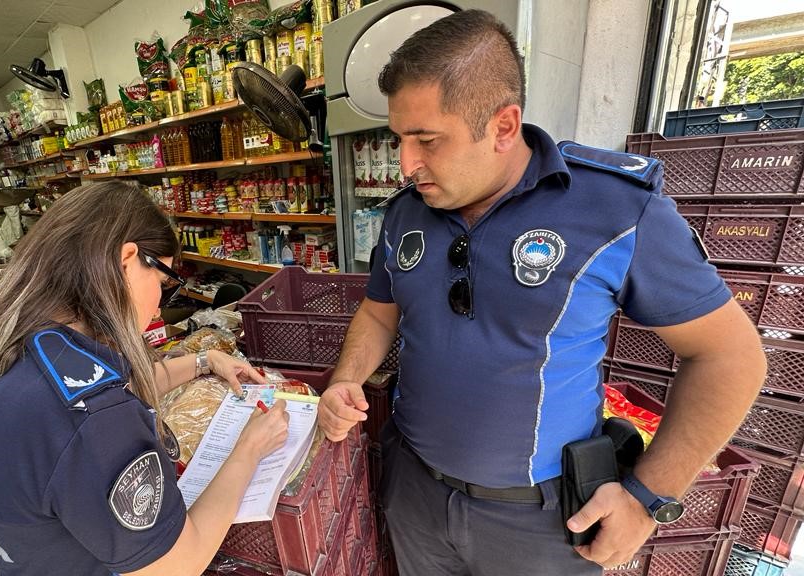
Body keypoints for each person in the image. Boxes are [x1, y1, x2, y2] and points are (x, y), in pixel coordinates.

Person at [318, 9, 766, 576]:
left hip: (542, 526)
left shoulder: (616, 209)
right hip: (414, 494)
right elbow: (380, 313)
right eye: (400, 138)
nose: (406, 164)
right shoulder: (407, 211)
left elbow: (730, 356)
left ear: (504, 126)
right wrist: (345, 380)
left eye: (427, 140)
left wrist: (649, 498)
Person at [0, 181, 290, 576]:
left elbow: (116, 386)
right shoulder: (95, 418)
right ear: (127, 260)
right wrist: (250, 448)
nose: (161, 300)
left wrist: (203, 361)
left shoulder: (20, 345)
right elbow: (179, 565)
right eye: (162, 281)